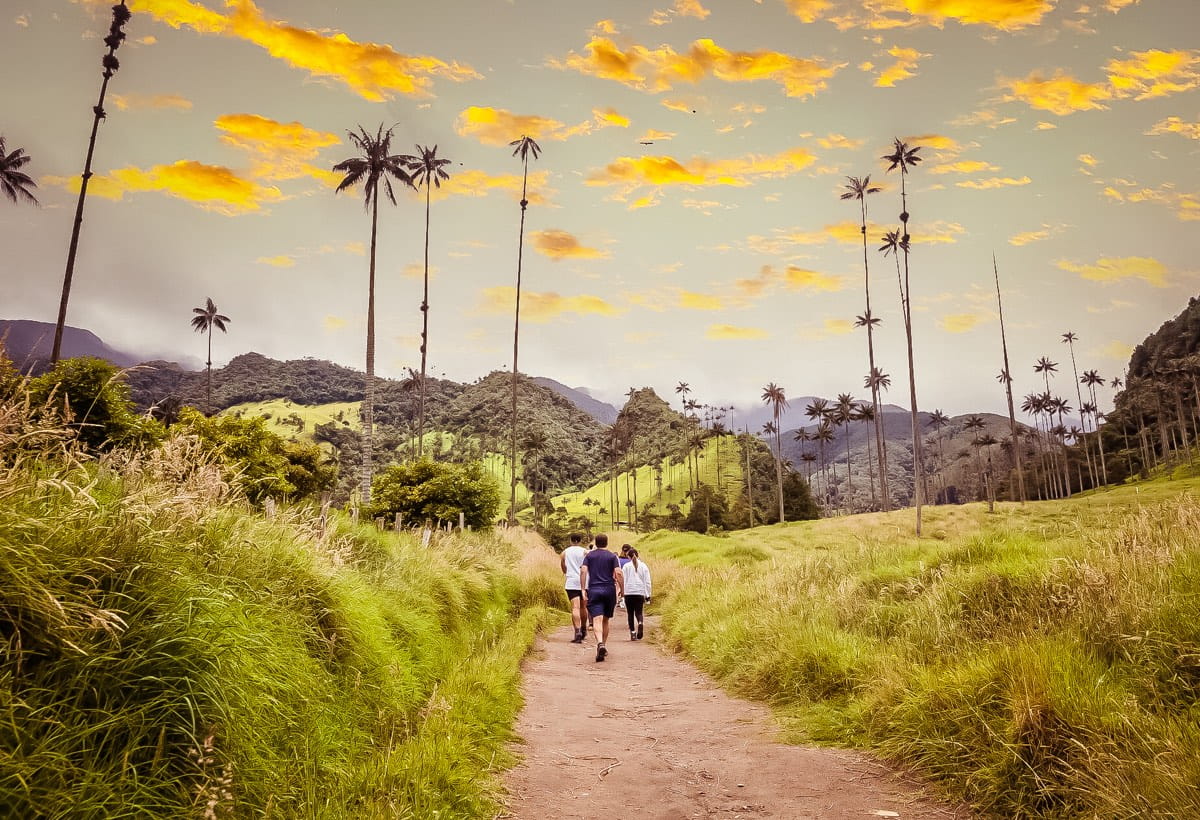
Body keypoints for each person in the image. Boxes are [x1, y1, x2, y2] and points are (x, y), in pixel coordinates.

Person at [579, 533, 623, 662]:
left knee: (597, 620)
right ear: (606, 543)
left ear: (596, 543)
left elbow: (583, 570)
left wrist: (582, 588)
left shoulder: (589, 556)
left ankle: (600, 643)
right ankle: (603, 643)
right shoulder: (612, 556)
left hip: (594, 589)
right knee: (605, 620)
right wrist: (622, 590)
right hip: (609, 589)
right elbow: (619, 573)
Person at [560, 533, 588, 643]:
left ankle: (577, 631)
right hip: (584, 582)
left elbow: (563, 567)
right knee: (583, 607)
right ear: (580, 540)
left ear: (571, 540)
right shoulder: (585, 552)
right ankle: (584, 629)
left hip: (571, 581)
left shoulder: (565, 552)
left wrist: (567, 572)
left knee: (575, 608)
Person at [622, 547, 652, 641]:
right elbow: (647, 582)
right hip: (639, 592)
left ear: (628, 557)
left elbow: (623, 580)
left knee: (630, 613)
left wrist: (622, 592)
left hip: (628, 592)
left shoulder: (626, 566)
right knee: (639, 612)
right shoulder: (644, 566)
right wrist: (648, 595)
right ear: (637, 555)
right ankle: (640, 622)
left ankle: (633, 633)